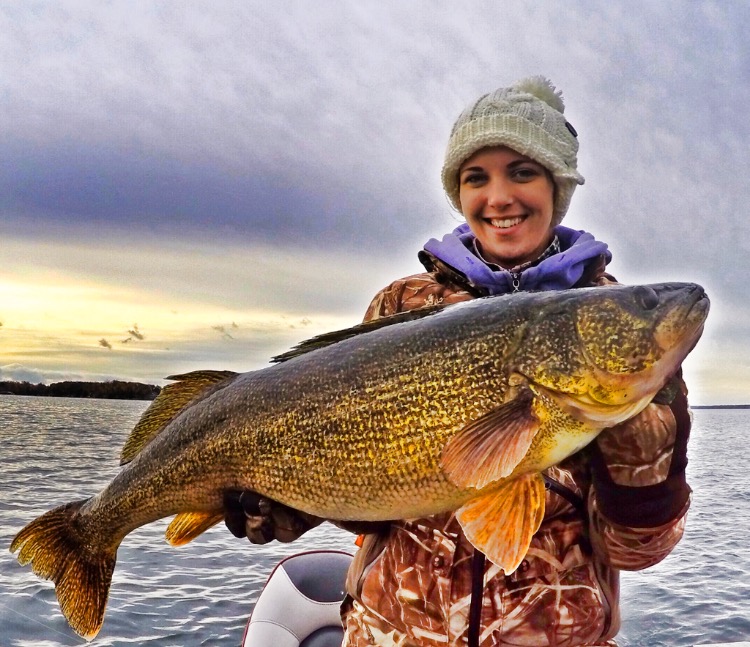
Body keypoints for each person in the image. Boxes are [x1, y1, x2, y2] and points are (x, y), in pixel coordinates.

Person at [225, 77, 692, 646]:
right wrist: (287, 507)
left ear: (557, 186)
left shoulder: (622, 338)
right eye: (477, 177)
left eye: (523, 172)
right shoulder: (402, 307)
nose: (499, 197)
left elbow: (638, 551)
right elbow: (370, 490)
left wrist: (642, 439)